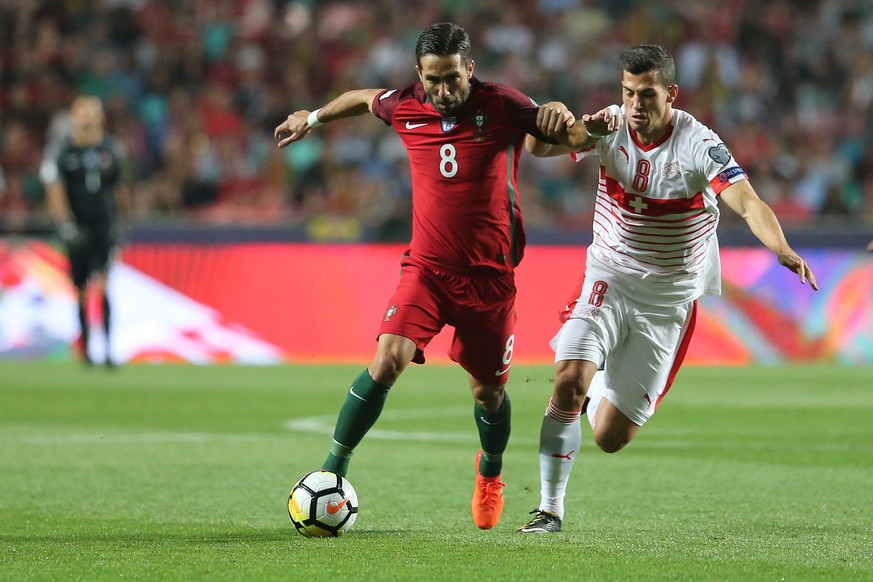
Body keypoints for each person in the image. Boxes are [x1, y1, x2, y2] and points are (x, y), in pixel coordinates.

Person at [516, 45, 818, 533]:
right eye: (628, 92)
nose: (636, 104)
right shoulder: (609, 125)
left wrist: (781, 248)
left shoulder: (699, 144)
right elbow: (539, 148)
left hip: (667, 302)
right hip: (608, 277)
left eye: (647, 94)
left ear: (671, 94)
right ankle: (549, 508)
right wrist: (571, 126)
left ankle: (601, 377)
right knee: (570, 378)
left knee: (610, 436)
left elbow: (748, 201)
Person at [274, 22, 560, 530]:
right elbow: (364, 98)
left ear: (469, 69)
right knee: (387, 359)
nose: (444, 91)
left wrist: (572, 121)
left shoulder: (501, 103)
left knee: (487, 394)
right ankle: (331, 470)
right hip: (426, 269)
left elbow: (552, 134)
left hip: (490, 280)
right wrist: (312, 118)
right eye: (433, 80)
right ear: (418, 74)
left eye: (452, 78)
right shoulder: (404, 104)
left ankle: (490, 472)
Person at [40, 96, 129, 367]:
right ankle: (87, 350)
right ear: (74, 117)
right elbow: (54, 190)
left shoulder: (112, 149)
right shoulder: (62, 151)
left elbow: (119, 189)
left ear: (101, 117)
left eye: (92, 112)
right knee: (79, 288)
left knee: (103, 285)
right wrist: (65, 223)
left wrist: (121, 224)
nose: (87, 117)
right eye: (82, 112)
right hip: (78, 225)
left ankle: (109, 350)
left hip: (104, 225)